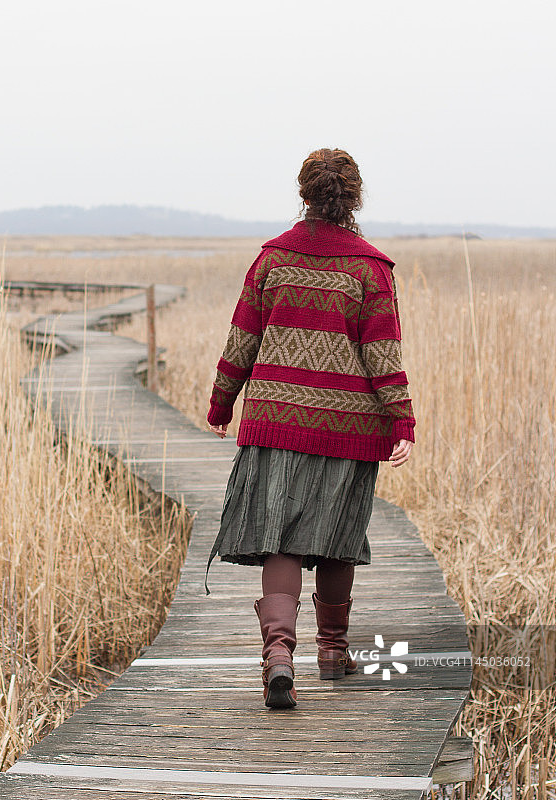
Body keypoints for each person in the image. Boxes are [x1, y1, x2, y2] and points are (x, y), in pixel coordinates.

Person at [205, 148, 415, 709]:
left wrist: (222, 404)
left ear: (304, 195)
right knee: (338, 533)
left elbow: (241, 339)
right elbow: (381, 353)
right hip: (348, 425)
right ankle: (332, 651)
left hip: (276, 421)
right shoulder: (370, 269)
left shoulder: (273, 259)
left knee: (281, 535)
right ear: (354, 199)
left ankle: (278, 656)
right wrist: (402, 419)